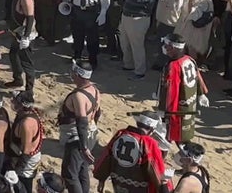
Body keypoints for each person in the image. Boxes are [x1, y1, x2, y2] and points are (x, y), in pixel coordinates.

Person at [93, 113, 167, 193]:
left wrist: (101, 179)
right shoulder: (148, 142)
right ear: (152, 130)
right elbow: (156, 168)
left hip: (118, 182)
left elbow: (107, 156)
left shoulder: (120, 134)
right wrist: (163, 188)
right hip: (139, 186)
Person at [59, 64, 102, 193]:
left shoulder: (79, 96)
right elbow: (97, 113)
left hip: (76, 137)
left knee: (70, 174)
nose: (71, 74)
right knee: (82, 169)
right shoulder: (94, 90)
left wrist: (83, 147)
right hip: (90, 133)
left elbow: (81, 122)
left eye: (73, 72)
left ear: (78, 75)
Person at [157, 34, 204, 145]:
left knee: (166, 139)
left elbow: (170, 92)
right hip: (189, 105)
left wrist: (164, 110)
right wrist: (201, 94)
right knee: (184, 136)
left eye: (166, 45)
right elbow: (197, 77)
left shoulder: (174, 66)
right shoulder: (189, 59)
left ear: (172, 47)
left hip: (176, 110)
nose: (164, 47)